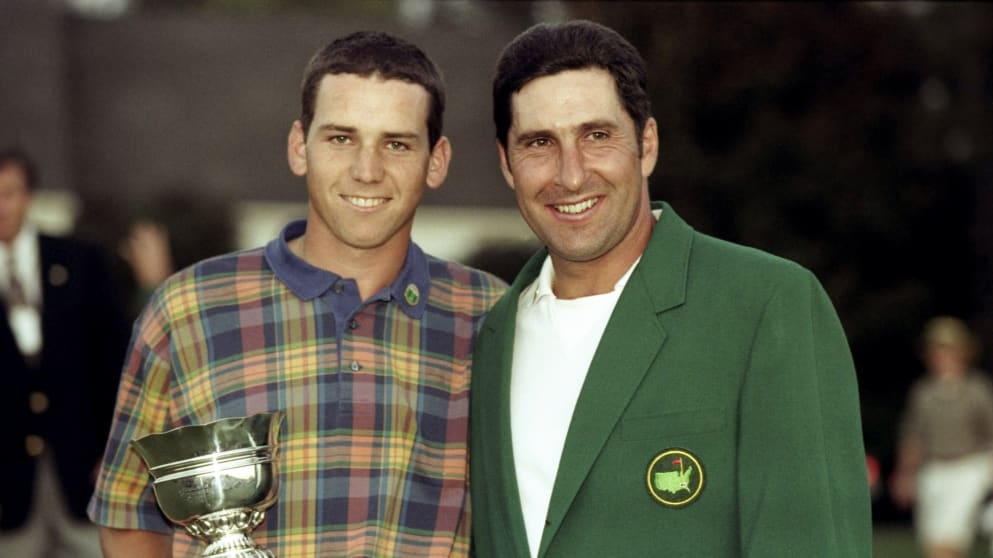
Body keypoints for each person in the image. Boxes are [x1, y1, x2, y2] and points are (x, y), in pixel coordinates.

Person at [88, 31, 506, 557]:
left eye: (396, 143)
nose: (367, 170)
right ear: (298, 147)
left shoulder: (493, 318)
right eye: (340, 138)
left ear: (437, 160)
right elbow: (128, 515)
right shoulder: (187, 311)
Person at [469, 20, 871, 557]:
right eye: (540, 142)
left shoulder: (765, 306)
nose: (569, 175)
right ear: (506, 164)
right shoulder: (489, 339)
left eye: (596, 135)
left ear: (647, 144)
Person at [0, 146, 130, 558]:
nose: (0, 206)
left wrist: (115, 450)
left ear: (29, 196)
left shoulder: (81, 260)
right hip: (9, 495)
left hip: (83, 477)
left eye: (8, 194)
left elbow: (117, 361)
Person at [891, 316, 993, 558]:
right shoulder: (923, 393)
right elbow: (913, 436)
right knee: (933, 543)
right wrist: (905, 474)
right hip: (932, 473)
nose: (941, 356)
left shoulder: (976, 390)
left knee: (946, 545)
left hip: (967, 472)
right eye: (935, 350)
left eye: (948, 349)